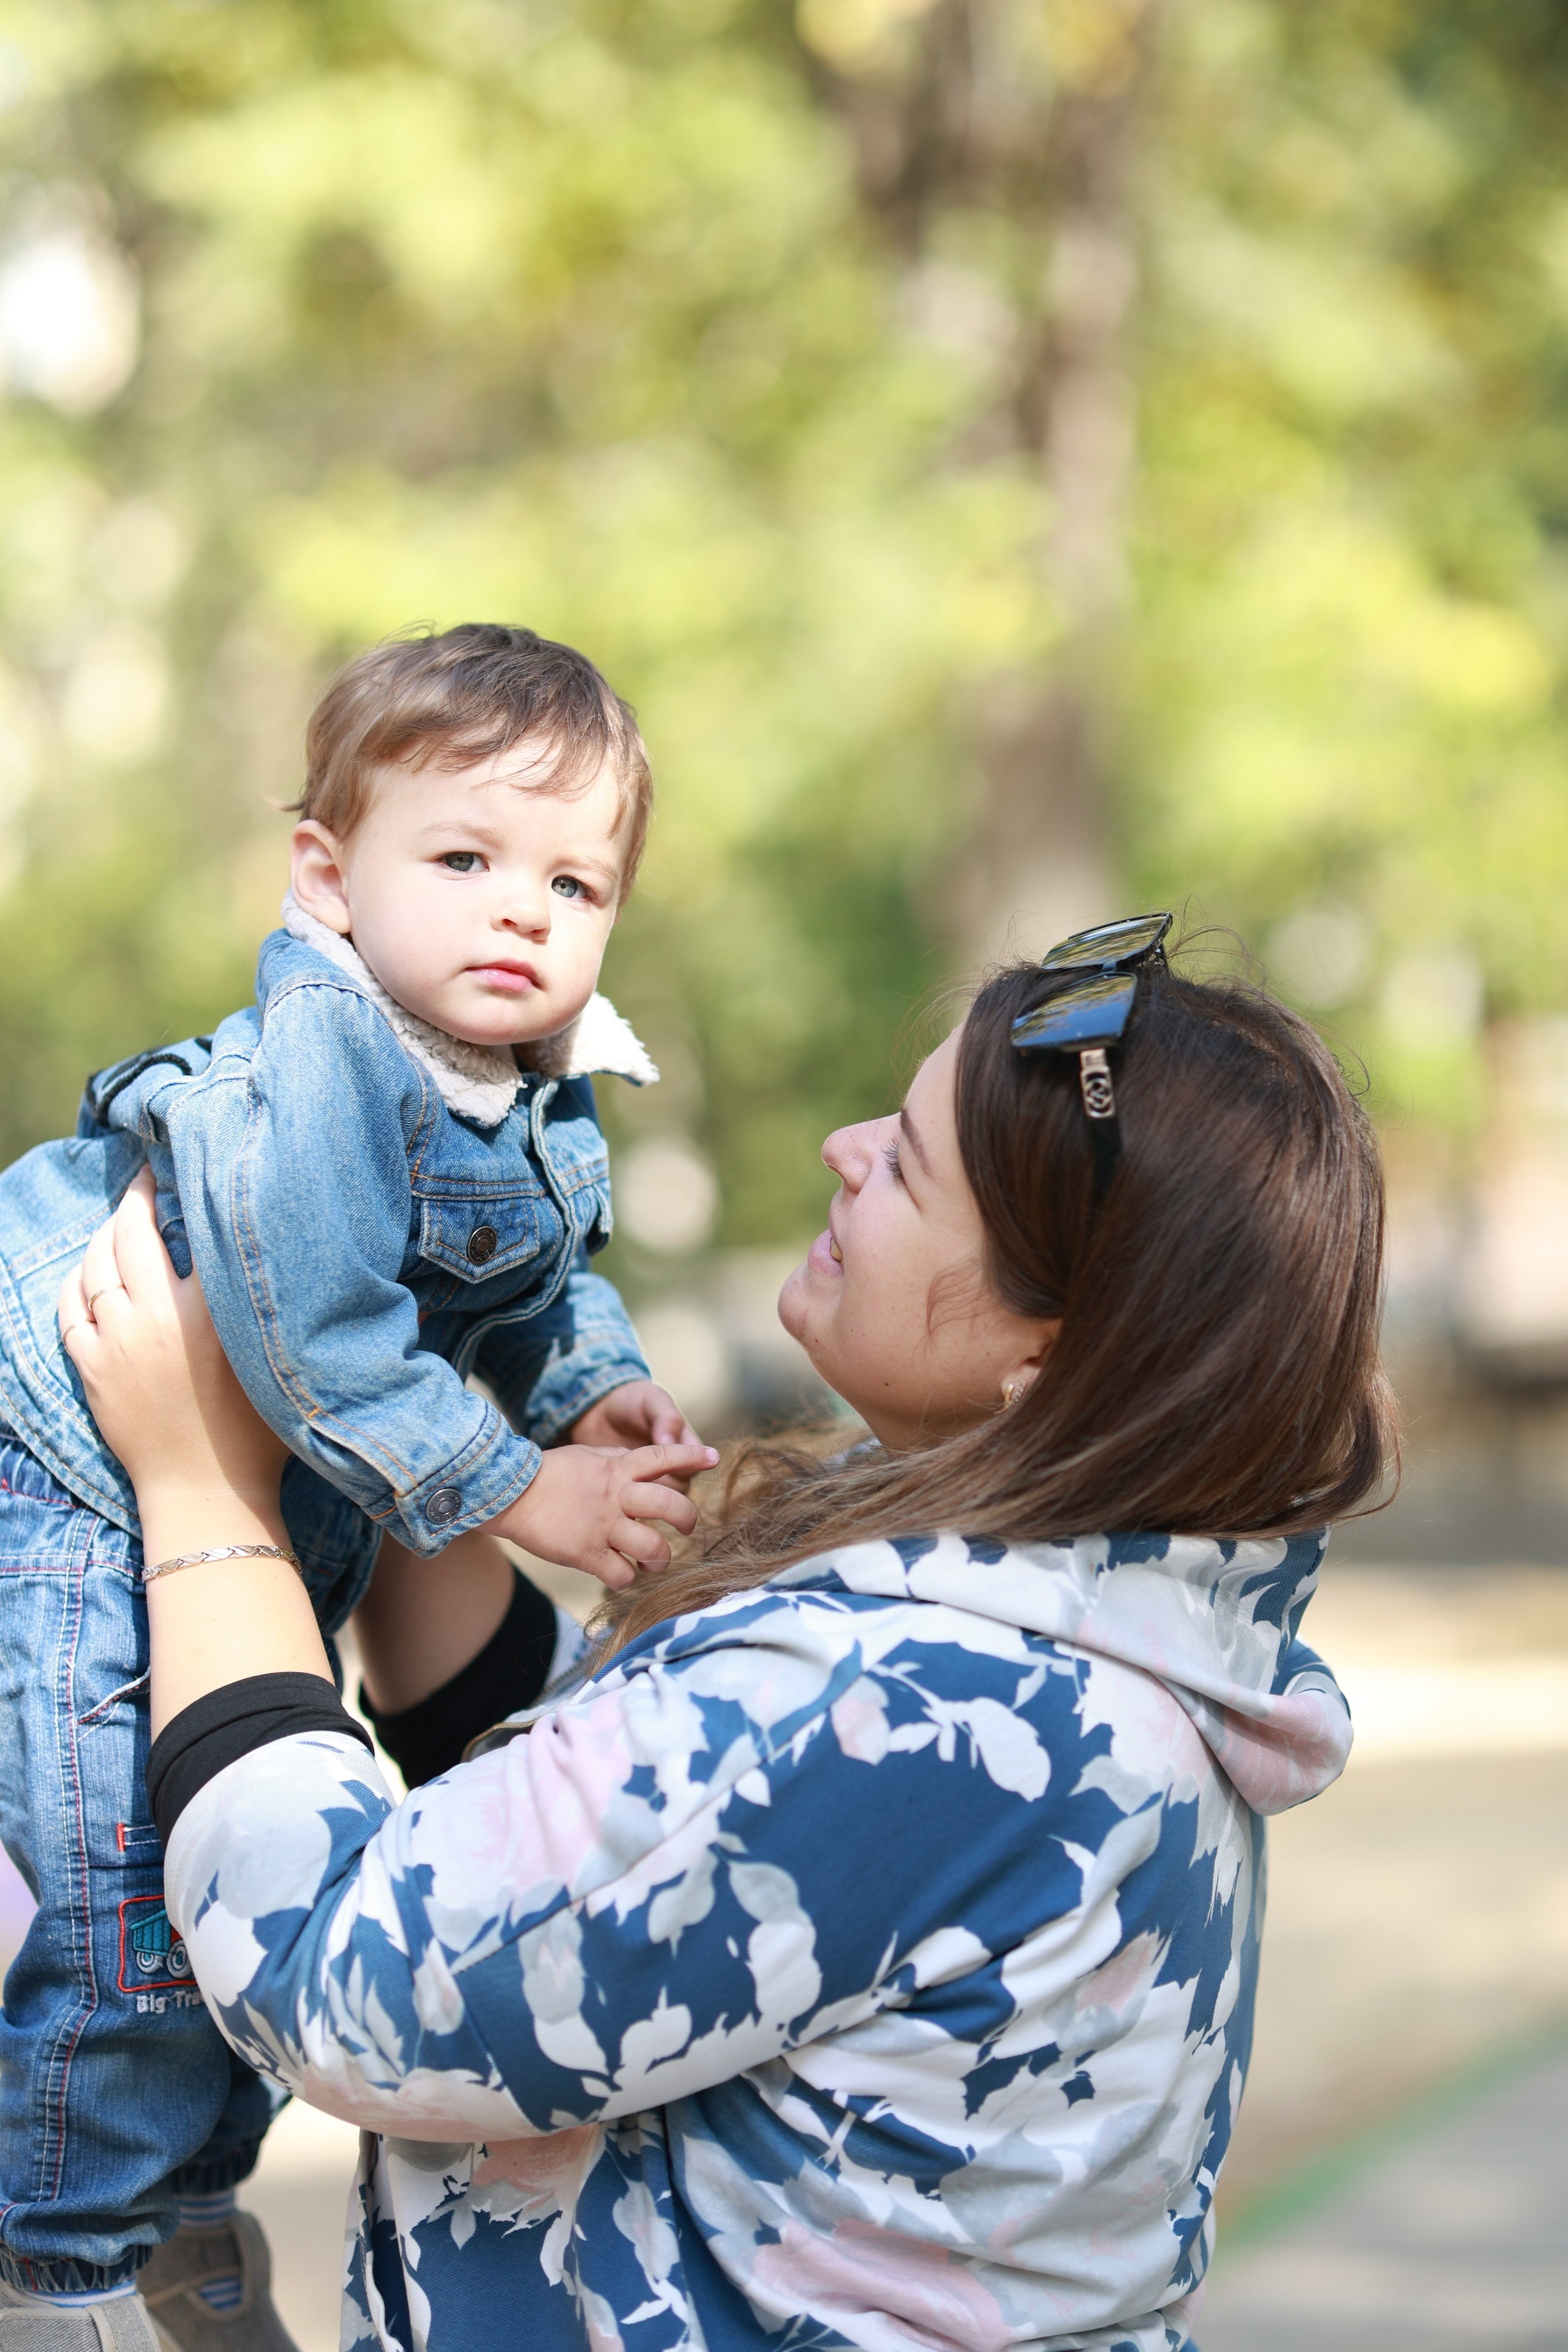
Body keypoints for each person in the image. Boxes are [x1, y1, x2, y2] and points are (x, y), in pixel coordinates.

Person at [62, 923, 1395, 2352]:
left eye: (907, 1169)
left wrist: (203, 1490)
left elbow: (337, 1977)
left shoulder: (916, 1704)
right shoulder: (1105, 1639)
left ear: (1043, 1355)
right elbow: (610, 1837)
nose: (842, 1148)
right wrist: (381, 1429)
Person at [0, 625, 710, 2348]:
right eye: (463, 860)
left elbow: (538, 1275)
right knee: (123, 1902)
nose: (521, 913)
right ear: (328, 879)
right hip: (84, 1477)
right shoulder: (325, 1055)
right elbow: (318, 1333)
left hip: (263, 1479)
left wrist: (592, 1387)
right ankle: (60, 2269)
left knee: (220, 1896)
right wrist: (526, 1494)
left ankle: (178, 2220)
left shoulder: (528, 1063)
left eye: (572, 882)